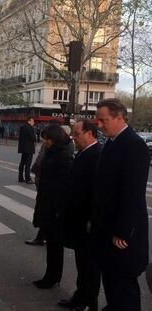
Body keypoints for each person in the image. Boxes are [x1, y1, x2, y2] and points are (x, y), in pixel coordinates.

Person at [92, 98, 150, 311]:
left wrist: (122, 232)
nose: (99, 124)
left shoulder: (134, 145)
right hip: (107, 229)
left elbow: (132, 194)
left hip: (122, 235)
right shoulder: (113, 141)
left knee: (124, 288)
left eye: (103, 120)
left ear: (119, 117)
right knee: (112, 283)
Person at [58, 120, 101, 311]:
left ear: (90, 133)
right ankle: (80, 295)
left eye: (77, 133)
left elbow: (94, 192)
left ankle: (88, 301)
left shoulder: (96, 155)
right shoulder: (85, 153)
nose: (73, 137)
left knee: (89, 265)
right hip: (77, 218)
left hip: (86, 220)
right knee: (81, 263)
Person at [32, 125, 73, 289]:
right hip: (48, 203)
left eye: (47, 139)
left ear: (55, 139)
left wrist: (58, 209)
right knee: (52, 244)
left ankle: (52, 277)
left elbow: (64, 186)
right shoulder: (54, 152)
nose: (45, 142)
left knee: (55, 246)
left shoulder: (63, 156)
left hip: (55, 207)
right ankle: (51, 275)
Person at [18, 117, 36, 183]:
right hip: (29, 148)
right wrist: (35, 137)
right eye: (32, 121)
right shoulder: (30, 128)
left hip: (23, 148)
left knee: (22, 163)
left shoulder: (22, 127)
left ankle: (20, 177)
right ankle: (28, 178)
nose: (33, 122)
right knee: (28, 164)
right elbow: (33, 138)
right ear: (29, 121)